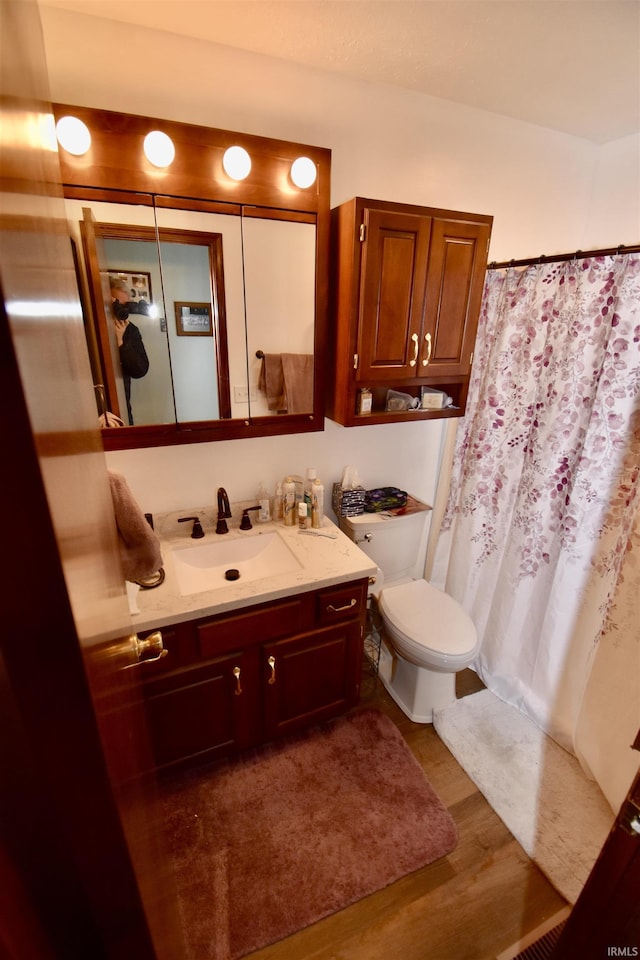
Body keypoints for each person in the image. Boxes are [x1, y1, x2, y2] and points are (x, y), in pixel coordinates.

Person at [110, 278, 149, 425]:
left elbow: (140, 369)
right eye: (116, 304)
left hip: (122, 402)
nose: (121, 310)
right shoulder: (89, 324)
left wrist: (121, 343)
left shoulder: (131, 330)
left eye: (125, 305)